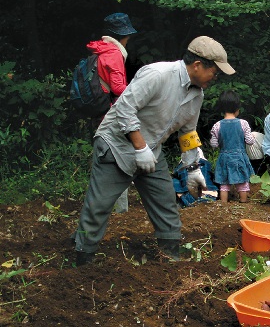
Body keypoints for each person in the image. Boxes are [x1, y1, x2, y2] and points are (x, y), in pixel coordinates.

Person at [73, 36, 235, 265]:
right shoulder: (158, 75)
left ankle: (170, 254)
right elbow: (124, 108)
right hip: (116, 145)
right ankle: (84, 257)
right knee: (99, 205)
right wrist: (140, 147)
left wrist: (192, 168)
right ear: (198, 65)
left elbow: (188, 132)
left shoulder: (196, 95)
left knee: (165, 200)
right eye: (214, 72)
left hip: (151, 149)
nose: (215, 78)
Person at [87, 12, 138, 213]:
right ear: (123, 35)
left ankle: (99, 205)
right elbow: (117, 88)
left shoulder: (99, 50)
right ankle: (120, 211)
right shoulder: (114, 53)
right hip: (110, 113)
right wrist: (137, 93)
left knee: (103, 159)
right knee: (119, 159)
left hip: (99, 111)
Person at [210, 90, 256, 203]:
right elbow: (250, 141)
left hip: (224, 158)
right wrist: (253, 137)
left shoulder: (217, 125)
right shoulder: (243, 123)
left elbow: (214, 144)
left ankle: (224, 205)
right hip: (239, 157)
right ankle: (243, 203)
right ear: (237, 108)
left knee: (224, 183)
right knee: (242, 182)